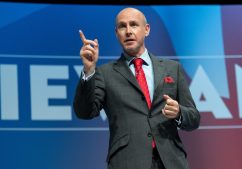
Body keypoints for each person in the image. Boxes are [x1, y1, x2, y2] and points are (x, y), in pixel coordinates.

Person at [73, 7, 200, 169]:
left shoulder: (172, 68)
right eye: (122, 26)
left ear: (146, 30)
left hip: (171, 161)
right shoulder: (104, 73)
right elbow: (84, 112)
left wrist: (179, 112)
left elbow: (194, 118)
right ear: (116, 33)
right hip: (127, 161)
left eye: (133, 25)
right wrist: (89, 70)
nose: (128, 31)